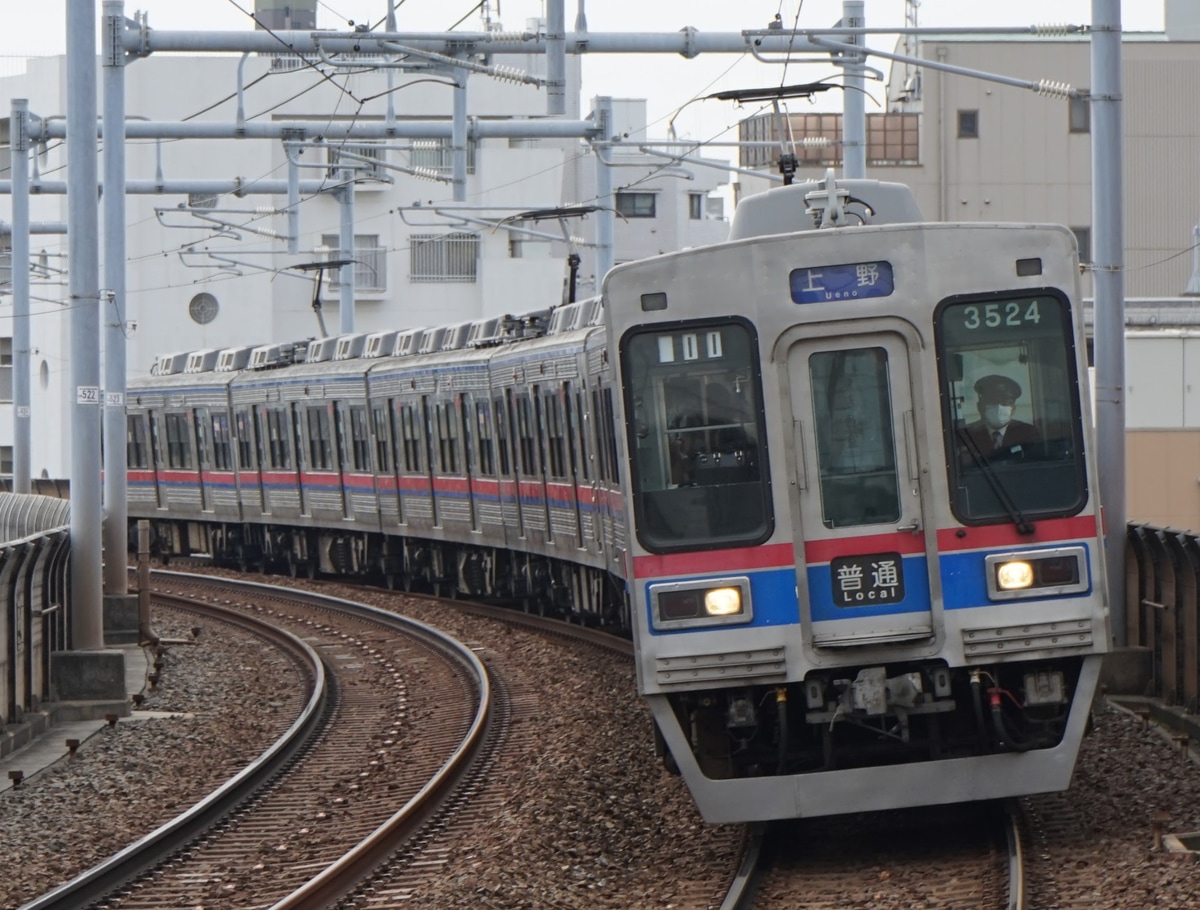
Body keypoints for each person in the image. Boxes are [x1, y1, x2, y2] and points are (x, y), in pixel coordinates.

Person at [960, 374, 1040, 460]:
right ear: (979, 406)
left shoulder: (1027, 433)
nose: (998, 406)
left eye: (1005, 402)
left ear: (1013, 408)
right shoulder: (967, 436)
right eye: (992, 401)